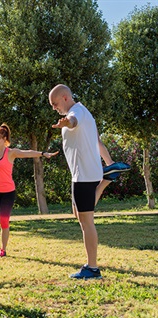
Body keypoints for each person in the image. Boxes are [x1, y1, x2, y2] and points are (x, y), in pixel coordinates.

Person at [49, 84, 130, 280]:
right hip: (83, 173)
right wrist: (109, 162)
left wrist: (66, 123)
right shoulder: (86, 112)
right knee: (77, 213)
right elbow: (97, 141)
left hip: (84, 175)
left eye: (55, 103)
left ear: (65, 98)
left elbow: (72, 121)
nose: (54, 108)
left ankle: (92, 268)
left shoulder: (76, 112)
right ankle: (105, 179)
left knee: (86, 222)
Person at [0, 123, 59, 258]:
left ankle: (3, 249)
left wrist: (43, 153)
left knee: (4, 221)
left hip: (8, 191)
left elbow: (27, 153)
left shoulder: (11, 153)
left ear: (4, 139)